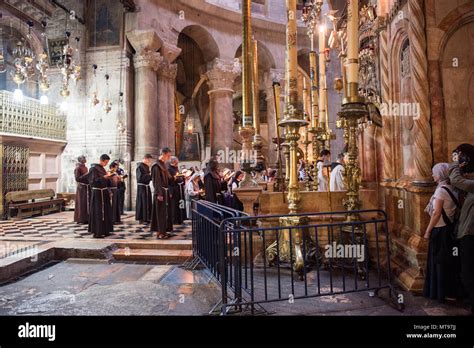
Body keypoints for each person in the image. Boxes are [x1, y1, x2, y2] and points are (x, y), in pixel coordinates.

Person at [423, 163, 460, 302]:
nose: (433, 175)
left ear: (440, 174)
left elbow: (437, 213)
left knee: (438, 261)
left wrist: (427, 231)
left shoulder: (440, 191)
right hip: (448, 229)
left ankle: (440, 293)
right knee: (446, 260)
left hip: (439, 230)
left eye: (434, 172)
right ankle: (448, 292)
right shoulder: (452, 188)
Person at [449, 143, 474, 314]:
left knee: (468, 271)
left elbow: (456, 180)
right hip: (467, 232)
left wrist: (455, 163)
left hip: (470, 235)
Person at [88, 154, 114, 238]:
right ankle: (97, 232)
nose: (106, 164)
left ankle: (105, 230)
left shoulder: (102, 168)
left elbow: (105, 180)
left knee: (106, 212)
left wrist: (109, 178)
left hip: (104, 192)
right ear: (101, 160)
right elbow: (92, 181)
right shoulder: (93, 169)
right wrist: (104, 177)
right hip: (97, 193)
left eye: (107, 162)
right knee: (98, 212)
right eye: (105, 162)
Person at [151, 148, 174, 239]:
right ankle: (160, 233)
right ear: (163, 154)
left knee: (164, 213)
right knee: (160, 213)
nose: (169, 157)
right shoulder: (156, 166)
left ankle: (163, 231)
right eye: (168, 155)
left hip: (165, 191)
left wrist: (175, 177)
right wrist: (159, 194)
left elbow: (168, 179)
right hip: (160, 192)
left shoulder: (163, 165)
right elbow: (156, 181)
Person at [136, 154, 153, 224]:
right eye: (149, 160)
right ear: (146, 158)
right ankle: (142, 218)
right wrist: (149, 175)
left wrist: (151, 176)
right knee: (142, 202)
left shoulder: (146, 167)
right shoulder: (140, 166)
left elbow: (148, 176)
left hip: (146, 186)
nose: (150, 162)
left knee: (147, 202)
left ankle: (147, 217)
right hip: (142, 187)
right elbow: (140, 178)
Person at [167, 156, 185, 225]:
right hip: (173, 189)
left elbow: (178, 177)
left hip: (178, 188)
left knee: (180, 204)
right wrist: (175, 177)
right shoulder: (169, 169)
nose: (178, 163)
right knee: (174, 206)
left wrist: (182, 176)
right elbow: (169, 181)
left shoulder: (176, 168)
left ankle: (180, 218)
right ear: (173, 161)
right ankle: (174, 220)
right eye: (177, 162)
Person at [74, 156, 90, 224]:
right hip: (81, 187)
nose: (85, 159)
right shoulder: (78, 168)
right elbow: (77, 179)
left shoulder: (85, 167)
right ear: (80, 160)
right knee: (81, 203)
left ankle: (86, 218)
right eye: (84, 158)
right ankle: (80, 219)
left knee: (86, 203)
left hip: (86, 187)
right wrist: (86, 175)